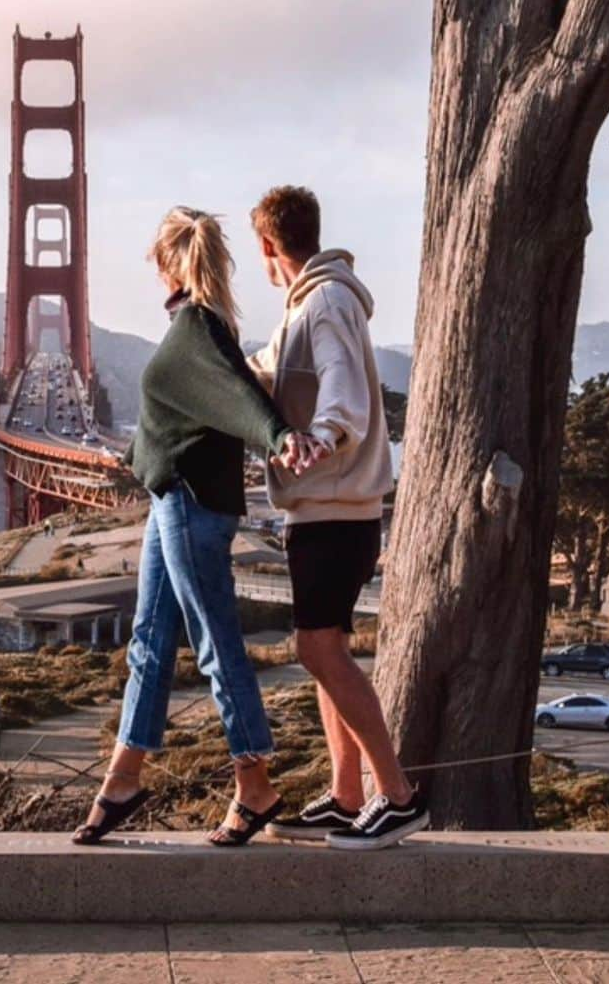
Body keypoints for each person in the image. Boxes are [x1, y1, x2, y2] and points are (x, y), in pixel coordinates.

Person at [71, 206, 322, 848]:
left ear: (168, 263)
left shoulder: (196, 329)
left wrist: (276, 436)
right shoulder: (204, 327)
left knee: (213, 642)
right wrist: (130, 456)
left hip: (188, 506)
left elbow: (236, 397)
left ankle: (255, 781)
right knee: (150, 642)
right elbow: (190, 411)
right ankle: (124, 778)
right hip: (170, 501)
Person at [247, 185, 429, 850]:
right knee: (327, 651)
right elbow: (264, 373)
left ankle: (398, 795)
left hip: (334, 508)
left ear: (269, 246)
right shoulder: (310, 304)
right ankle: (347, 792)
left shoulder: (323, 303)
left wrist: (319, 439)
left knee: (316, 647)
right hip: (329, 510)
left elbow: (344, 390)